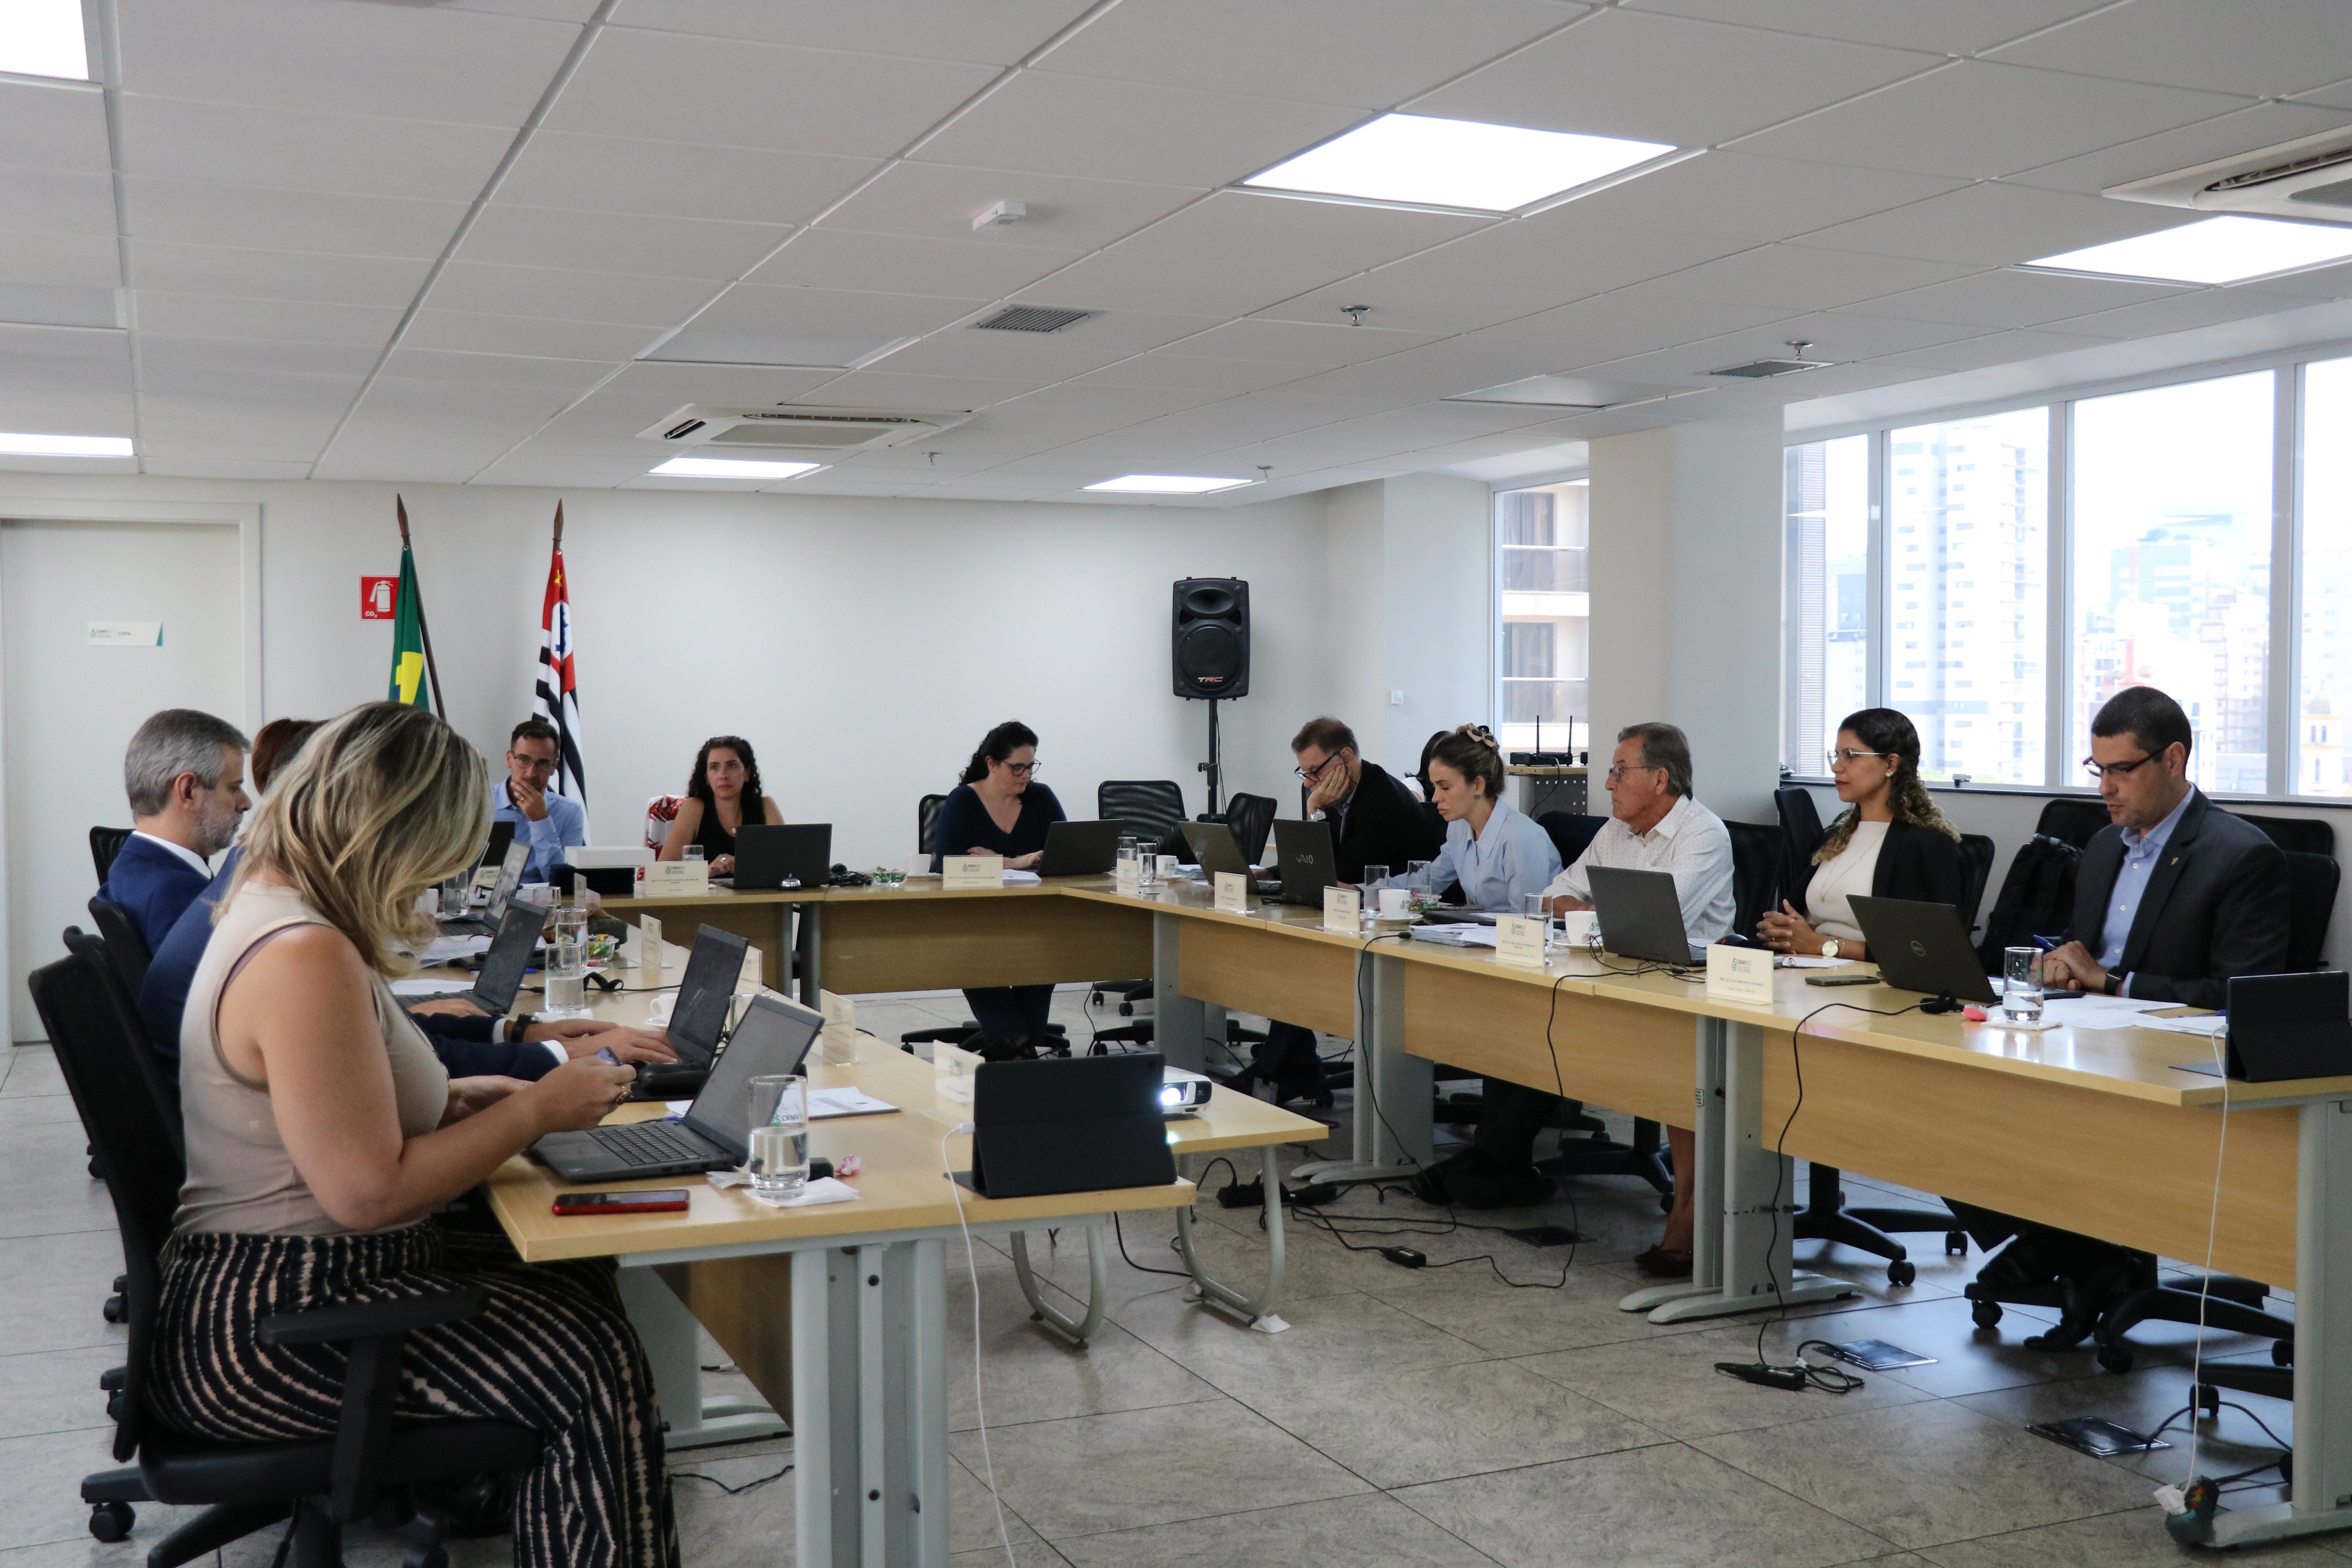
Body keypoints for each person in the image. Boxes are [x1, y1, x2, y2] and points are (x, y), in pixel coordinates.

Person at [152, 701, 677, 1567]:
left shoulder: (276, 910)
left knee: (575, 1271)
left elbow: (333, 1108)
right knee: (592, 1359)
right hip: (275, 1322)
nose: (426, 887)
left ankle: (538, 1501)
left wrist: (458, 1095)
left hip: (283, 1283)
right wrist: (533, 1111)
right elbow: (367, 1192)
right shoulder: (301, 953)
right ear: (390, 833)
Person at [1950, 685, 2290, 1347]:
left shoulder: (2240, 854)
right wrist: (2061, 968)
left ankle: (2071, 1252)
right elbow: (2087, 954)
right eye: (2096, 769)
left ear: (2173, 759)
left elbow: (2241, 991)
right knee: (1957, 1092)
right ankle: (2069, 1246)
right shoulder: (2104, 847)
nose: (2106, 787)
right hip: (2089, 1041)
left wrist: (2115, 980)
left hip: (2175, 1063)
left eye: (2121, 770)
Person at [140, 718, 675, 1088]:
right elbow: (370, 1185)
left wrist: (517, 1032)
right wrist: (542, 1087)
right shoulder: (298, 940)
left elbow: (372, 1034)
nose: (429, 873)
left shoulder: (266, 890)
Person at [1414, 722, 1734, 1225]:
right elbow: (1548, 898)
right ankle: (1497, 1161)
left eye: (1618, 771)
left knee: (1557, 1028)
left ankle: (1487, 1161)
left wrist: (1587, 910)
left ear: (1659, 778)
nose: (1606, 783)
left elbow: (1651, 919)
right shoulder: (1615, 831)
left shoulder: (1703, 835)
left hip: (1681, 992)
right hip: (1610, 973)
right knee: (1524, 1019)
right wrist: (1592, 912)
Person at [1228, 718, 1443, 1104]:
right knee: (1290, 951)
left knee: (1303, 958)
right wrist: (1267, 874)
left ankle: (1277, 1071)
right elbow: (1314, 863)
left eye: (1314, 771)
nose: (1309, 781)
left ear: (1345, 756)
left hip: (1397, 922)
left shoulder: (1383, 800)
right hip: (1355, 912)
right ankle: (1295, 1069)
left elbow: (1338, 873)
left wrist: (1313, 809)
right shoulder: (1328, 792)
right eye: (1303, 772)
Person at [1756, 707, 1966, 961]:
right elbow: (1807, 922)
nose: (1836, 767)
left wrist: (1822, 945)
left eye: (1851, 756)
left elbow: (1927, 950)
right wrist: (1785, 931)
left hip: (1876, 987)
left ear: (1891, 763)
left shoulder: (1925, 842)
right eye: (1836, 755)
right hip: (1807, 972)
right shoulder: (1836, 834)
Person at [933, 722, 1065, 1056]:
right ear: (992, 764)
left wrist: (997, 859)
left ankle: (1015, 1044)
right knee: (975, 954)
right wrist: (1015, 862)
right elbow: (946, 864)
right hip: (976, 916)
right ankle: (1014, 1043)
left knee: (1050, 949)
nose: (1025, 776)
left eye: (1030, 766)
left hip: (1035, 914)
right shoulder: (964, 800)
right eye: (1017, 767)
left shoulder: (1041, 798)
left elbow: (1064, 853)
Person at [98, 708, 250, 950]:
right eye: (234, 788)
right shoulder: (178, 897)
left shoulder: (126, 868)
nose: (246, 803)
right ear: (188, 791)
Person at [1380, 724, 1559, 913]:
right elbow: (1429, 880)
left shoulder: (1521, 838)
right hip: (1485, 936)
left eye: (1445, 787)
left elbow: (1528, 920)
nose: (1435, 798)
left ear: (1477, 785)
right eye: (1435, 787)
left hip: (1517, 939)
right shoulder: (1459, 827)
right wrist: (1364, 890)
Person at [657, 735, 780, 879]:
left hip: (758, 899)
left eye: (732, 765)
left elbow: (788, 864)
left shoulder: (766, 806)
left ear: (747, 773)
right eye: (714, 767)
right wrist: (708, 871)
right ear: (707, 777)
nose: (723, 775)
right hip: (707, 900)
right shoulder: (694, 808)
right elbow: (661, 872)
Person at [490, 717, 587, 883]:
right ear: (509, 759)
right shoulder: (478, 803)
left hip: (541, 905)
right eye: (524, 760)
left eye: (543, 763)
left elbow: (563, 884)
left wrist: (541, 821)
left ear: (554, 767)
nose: (531, 773)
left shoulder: (569, 812)